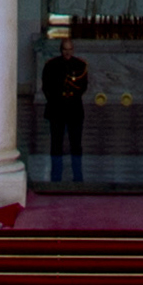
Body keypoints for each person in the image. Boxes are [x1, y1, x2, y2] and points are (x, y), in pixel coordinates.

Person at [40, 44, 92, 185]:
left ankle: (78, 177)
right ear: (61, 50)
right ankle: (56, 178)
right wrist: (56, 100)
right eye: (65, 49)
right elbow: (46, 86)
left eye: (70, 50)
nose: (67, 52)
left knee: (76, 144)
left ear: (73, 50)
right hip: (57, 109)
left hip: (74, 110)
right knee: (56, 143)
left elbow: (82, 87)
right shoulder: (52, 65)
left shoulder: (80, 65)